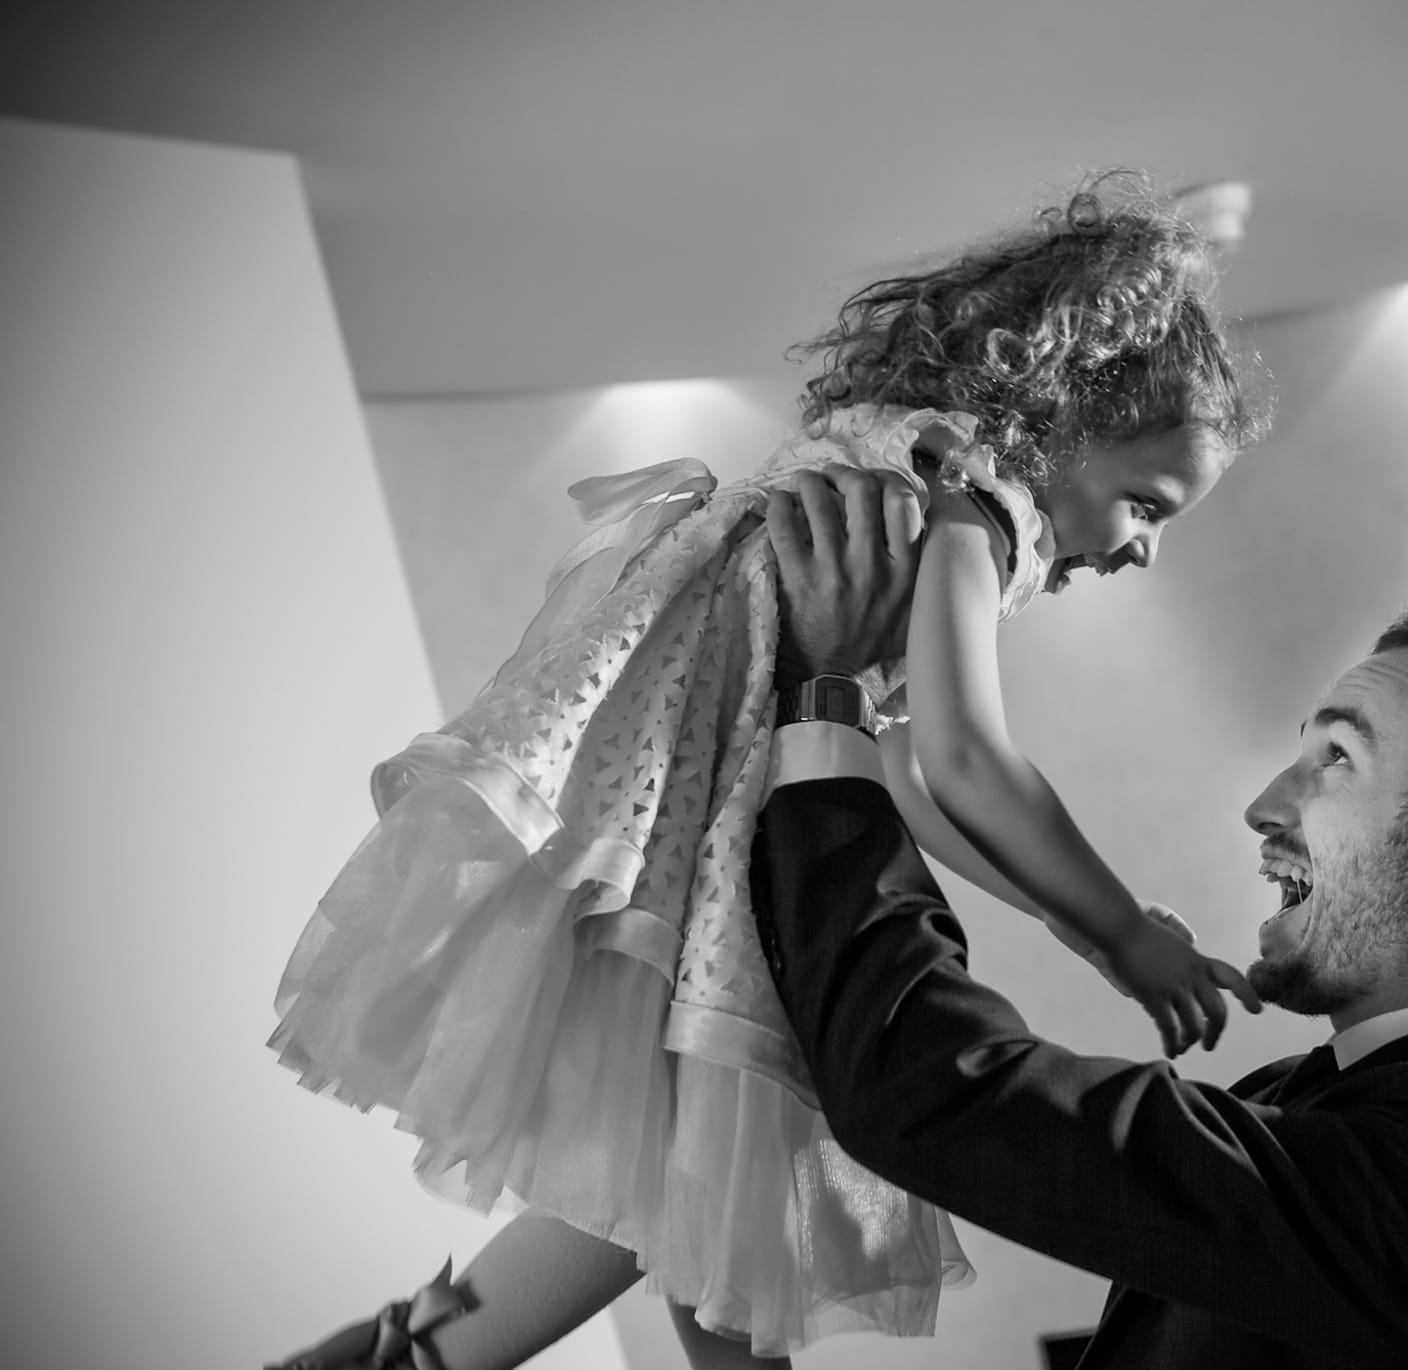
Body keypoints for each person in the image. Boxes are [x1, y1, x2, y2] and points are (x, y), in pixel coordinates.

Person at [265, 175, 1263, 1370]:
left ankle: (399, 1352)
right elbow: (965, 757)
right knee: (712, 1163)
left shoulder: (910, 463)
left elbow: (888, 762)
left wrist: (1073, 926)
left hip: (679, 816)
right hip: (714, 832)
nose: (1142, 546)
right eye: (1144, 504)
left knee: (701, 1170)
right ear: (1067, 424)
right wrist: (1121, 931)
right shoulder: (969, 505)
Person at [747, 468, 1408, 1368]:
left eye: (1337, 757)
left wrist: (823, 697)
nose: (1265, 806)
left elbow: (939, 1090)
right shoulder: (1289, 1094)